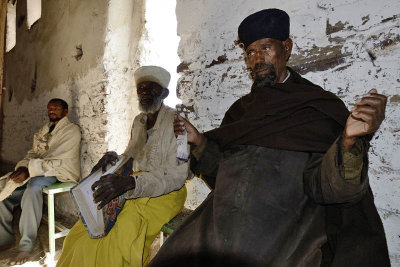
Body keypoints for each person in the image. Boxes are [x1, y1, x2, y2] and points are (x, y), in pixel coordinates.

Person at [149, 9, 390, 267]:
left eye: (265, 47)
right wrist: (200, 143)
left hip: (283, 226)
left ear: (286, 48)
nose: (257, 59)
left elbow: (329, 188)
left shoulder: (318, 108)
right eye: (250, 52)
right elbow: (223, 174)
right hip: (221, 219)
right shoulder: (241, 111)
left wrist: (348, 144)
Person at [57, 66, 191, 267]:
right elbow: (131, 156)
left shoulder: (177, 123)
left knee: (119, 237)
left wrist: (131, 183)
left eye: (151, 88)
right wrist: (114, 159)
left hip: (165, 192)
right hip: (133, 186)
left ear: (164, 93)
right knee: (79, 235)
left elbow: (177, 175)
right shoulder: (139, 121)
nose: (144, 92)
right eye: (141, 88)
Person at [0, 98, 81, 265]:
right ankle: (4, 237)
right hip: (39, 169)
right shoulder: (44, 129)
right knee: (6, 188)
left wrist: (29, 170)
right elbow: (32, 154)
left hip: (60, 171)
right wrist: (22, 167)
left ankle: (26, 246)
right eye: (50, 108)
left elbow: (59, 160)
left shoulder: (72, 131)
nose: (52, 111)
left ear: (65, 111)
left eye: (56, 108)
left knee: (33, 186)